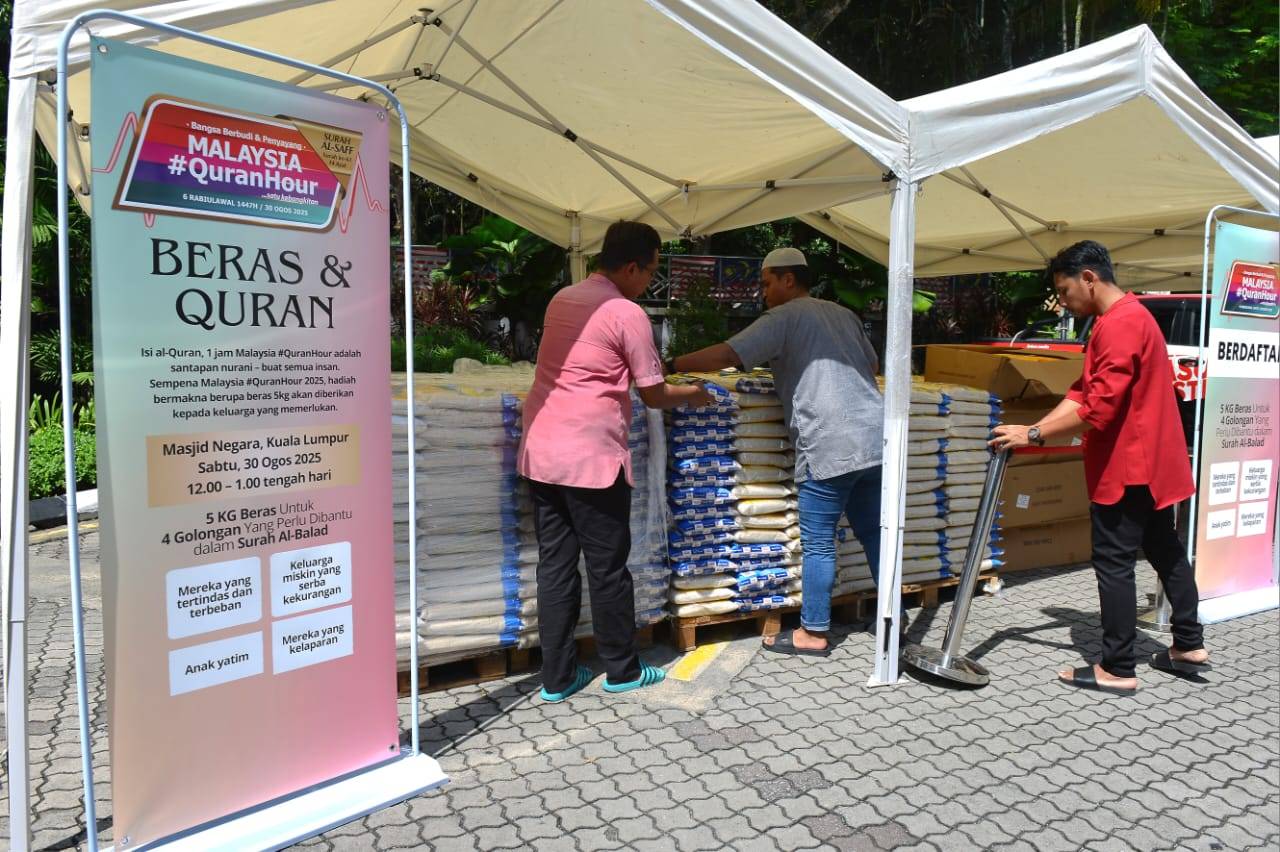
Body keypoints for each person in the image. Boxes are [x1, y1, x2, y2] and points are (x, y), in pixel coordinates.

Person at [990, 240, 1210, 696]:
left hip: (1129, 465)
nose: (1062, 300)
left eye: (1065, 289)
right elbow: (1080, 390)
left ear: (1089, 278)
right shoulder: (1122, 319)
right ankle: (1188, 644)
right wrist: (1035, 426)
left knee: (1113, 562)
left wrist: (1033, 436)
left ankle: (1117, 666)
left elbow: (1100, 408)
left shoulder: (1121, 324)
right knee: (1164, 548)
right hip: (1150, 461)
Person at [519, 221, 712, 702]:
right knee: (607, 567)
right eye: (650, 272)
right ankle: (622, 669)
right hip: (590, 458)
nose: (649, 282)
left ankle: (558, 678)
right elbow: (654, 393)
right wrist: (696, 395)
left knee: (556, 566)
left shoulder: (562, 298)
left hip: (542, 450)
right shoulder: (625, 312)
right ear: (631, 267)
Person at [667, 247, 888, 657]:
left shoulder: (784, 317)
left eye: (767, 283)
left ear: (789, 279)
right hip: (876, 437)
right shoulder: (844, 315)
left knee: (819, 541)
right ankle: (893, 618)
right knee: (875, 532)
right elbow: (872, 364)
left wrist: (671, 362)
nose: (763, 293)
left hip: (830, 442)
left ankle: (814, 632)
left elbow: (730, 355)